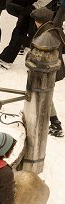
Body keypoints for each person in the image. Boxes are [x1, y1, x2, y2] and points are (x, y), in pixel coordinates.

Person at [29, 7, 65, 137]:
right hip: (54, 69)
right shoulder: (55, 29)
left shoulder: (46, 34)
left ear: (39, 21)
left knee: (45, 95)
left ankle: (55, 123)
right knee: (45, 94)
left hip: (45, 71)